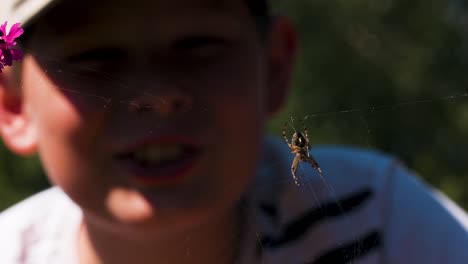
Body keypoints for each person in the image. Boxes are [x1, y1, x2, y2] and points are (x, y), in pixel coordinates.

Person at [0, 0, 467, 263]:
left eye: (200, 46)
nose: (159, 96)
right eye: (96, 59)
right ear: (14, 105)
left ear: (276, 67)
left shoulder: (377, 218)